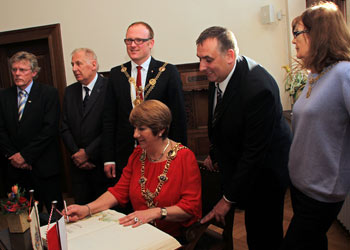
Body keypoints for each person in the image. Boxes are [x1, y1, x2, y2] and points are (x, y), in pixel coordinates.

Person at [196, 27, 292, 250]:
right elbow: (221, 120)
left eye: (207, 59)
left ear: (230, 55)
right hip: (244, 164)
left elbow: (254, 154)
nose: (202, 67)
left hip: (265, 175)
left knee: (262, 236)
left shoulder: (259, 89)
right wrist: (214, 153)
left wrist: (227, 200)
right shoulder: (218, 72)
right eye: (200, 59)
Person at [65, 100, 201, 239]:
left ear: (161, 130)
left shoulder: (184, 157)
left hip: (171, 238)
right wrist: (86, 209)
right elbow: (118, 192)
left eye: (141, 129)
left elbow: (190, 208)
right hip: (139, 233)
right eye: (134, 128)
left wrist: (156, 213)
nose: (135, 135)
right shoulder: (138, 154)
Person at [282, 3, 350, 250]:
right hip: (302, 186)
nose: (293, 41)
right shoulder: (315, 76)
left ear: (318, 34)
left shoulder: (344, 73)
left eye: (297, 33)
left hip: (322, 192)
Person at [102, 21, 187, 184]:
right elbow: (108, 119)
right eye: (129, 40)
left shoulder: (168, 72)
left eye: (138, 40)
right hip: (125, 155)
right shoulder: (116, 74)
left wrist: (178, 154)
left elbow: (179, 117)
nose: (133, 45)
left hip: (161, 152)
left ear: (151, 43)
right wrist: (108, 158)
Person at [0, 51, 63, 211]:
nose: (17, 74)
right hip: (16, 170)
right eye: (14, 70)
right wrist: (14, 156)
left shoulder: (48, 94)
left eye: (22, 70)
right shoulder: (4, 96)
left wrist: (26, 156)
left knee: (54, 215)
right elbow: (1, 130)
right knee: (24, 217)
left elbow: (49, 129)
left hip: (44, 167)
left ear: (34, 72)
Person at [61, 48, 110, 204]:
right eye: (72, 65)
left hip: (102, 165)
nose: (74, 69)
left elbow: (110, 126)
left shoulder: (109, 87)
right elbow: (64, 126)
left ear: (93, 64)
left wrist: (88, 153)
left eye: (78, 64)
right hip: (78, 169)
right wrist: (77, 154)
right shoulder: (70, 91)